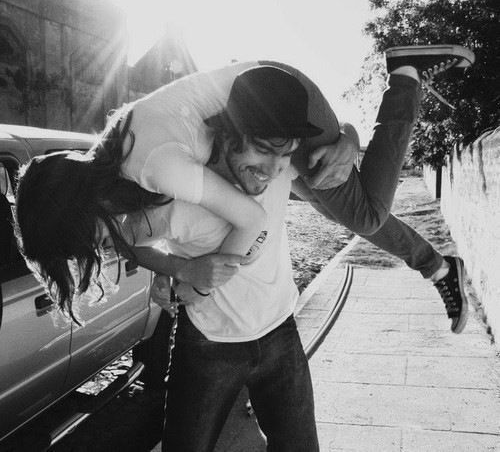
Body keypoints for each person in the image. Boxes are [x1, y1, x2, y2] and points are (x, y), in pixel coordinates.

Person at [14, 44, 474, 450]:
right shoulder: (119, 165)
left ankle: (405, 77)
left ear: (81, 207)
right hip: (255, 105)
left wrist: (203, 277)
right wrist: (175, 266)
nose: (100, 249)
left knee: (364, 213)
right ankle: (436, 267)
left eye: (89, 240)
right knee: (342, 205)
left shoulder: (166, 167)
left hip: (273, 95)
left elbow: (250, 221)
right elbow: (134, 241)